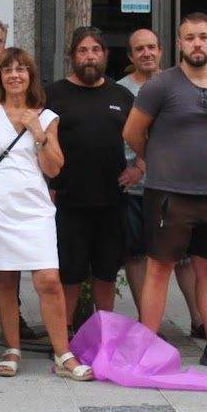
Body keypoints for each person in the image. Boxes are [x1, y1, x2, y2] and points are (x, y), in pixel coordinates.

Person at [123, 12, 207, 369]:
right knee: (159, 268)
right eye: (189, 37)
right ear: (179, 43)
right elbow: (132, 133)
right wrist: (157, 158)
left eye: (203, 37)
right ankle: (147, 344)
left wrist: (203, 158)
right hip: (167, 195)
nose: (197, 43)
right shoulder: (160, 86)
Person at [0, 47, 93, 381]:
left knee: (48, 280)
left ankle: (63, 353)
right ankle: (12, 348)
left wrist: (38, 133)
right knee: (4, 278)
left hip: (35, 205)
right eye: (7, 69)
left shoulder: (46, 116)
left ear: (30, 76)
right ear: (0, 77)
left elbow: (54, 167)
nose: (14, 74)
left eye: (21, 69)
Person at [46, 27, 136, 332]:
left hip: (111, 201)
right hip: (68, 201)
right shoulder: (53, 94)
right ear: (73, 56)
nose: (89, 56)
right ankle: (64, 337)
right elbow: (37, 144)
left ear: (105, 55)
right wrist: (47, 185)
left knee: (106, 274)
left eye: (95, 50)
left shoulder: (121, 96)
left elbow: (147, 136)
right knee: (69, 275)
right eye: (82, 51)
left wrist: (140, 168)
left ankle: (104, 335)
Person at [119, 29, 207, 337]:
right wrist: (140, 166)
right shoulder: (121, 90)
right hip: (134, 188)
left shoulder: (179, 84)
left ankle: (201, 321)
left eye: (151, 47)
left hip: (174, 187)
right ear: (131, 56)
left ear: (161, 50)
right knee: (136, 255)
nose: (146, 53)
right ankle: (148, 324)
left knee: (181, 257)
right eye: (139, 49)